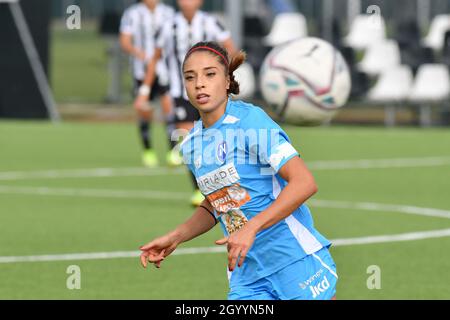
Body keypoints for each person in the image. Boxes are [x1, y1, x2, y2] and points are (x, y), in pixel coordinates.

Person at [139, 41, 338, 300]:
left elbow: (304, 183)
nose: (199, 83)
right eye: (190, 77)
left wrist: (251, 228)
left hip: (295, 262)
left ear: (226, 81)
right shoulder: (191, 144)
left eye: (210, 74)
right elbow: (221, 201)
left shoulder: (250, 122)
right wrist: (177, 236)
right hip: (247, 276)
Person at [134, 0, 236, 206]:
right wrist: (144, 91)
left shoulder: (211, 23)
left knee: (216, 139)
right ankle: (200, 190)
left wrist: (226, 79)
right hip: (181, 92)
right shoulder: (168, 25)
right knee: (189, 138)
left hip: (213, 93)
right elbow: (155, 59)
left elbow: (230, 50)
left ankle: (226, 185)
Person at [120, 0, 180, 168]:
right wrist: (139, 53)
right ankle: (148, 150)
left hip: (165, 71)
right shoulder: (132, 13)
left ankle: (173, 151)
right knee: (145, 112)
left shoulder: (168, 12)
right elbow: (125, 41)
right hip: (142, 71)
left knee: (169, 109)